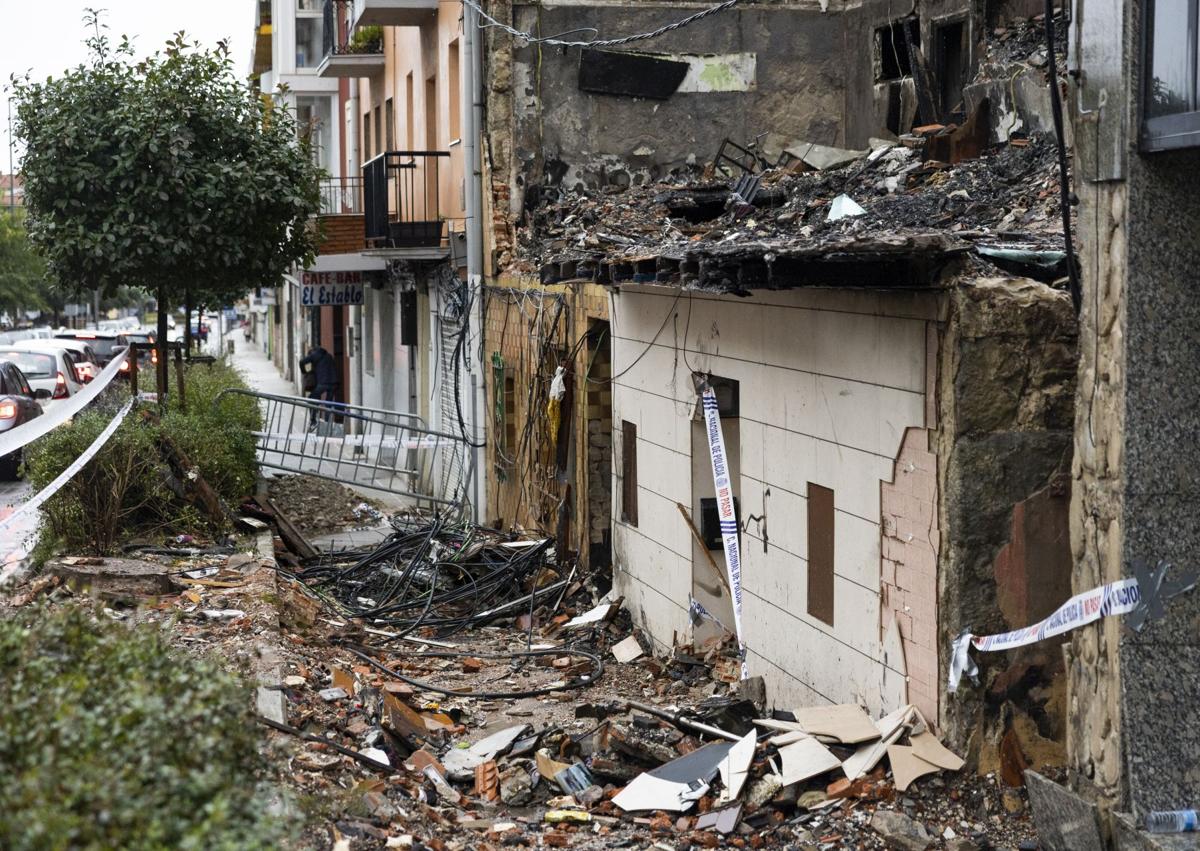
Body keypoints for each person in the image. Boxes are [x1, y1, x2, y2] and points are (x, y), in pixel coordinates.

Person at [299, 345, 338, 425]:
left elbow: (302, 362)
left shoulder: (314, 355)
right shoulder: (329, 355)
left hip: (323, 383)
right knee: (329, 403)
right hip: (334, 383)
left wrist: (304, 371)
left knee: (311, 399)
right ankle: (327, 424)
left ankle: (313, 421)